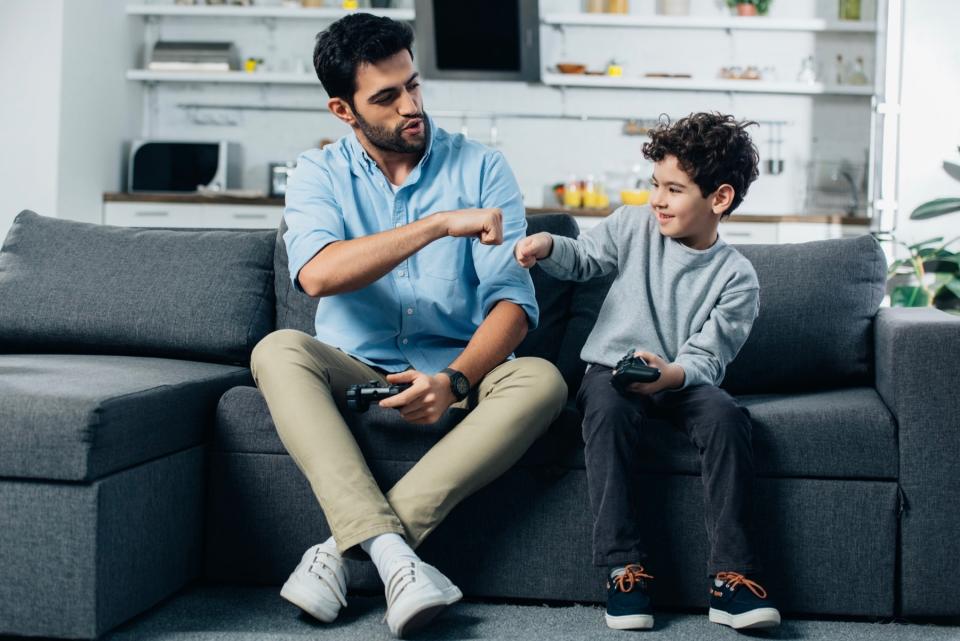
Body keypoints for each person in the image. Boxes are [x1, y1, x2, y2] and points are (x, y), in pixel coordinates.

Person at [251, 14, 566, 638]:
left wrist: (453, 381)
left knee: (543, 379)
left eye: (414, 86)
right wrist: (436, 224)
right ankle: (396, 558)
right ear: (343, 110)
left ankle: (347, 554)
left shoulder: (482, 167)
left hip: (458, 372)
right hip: (356, 368)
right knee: (278, 348)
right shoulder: (317, 174)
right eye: (387, 97)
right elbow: (316, 274)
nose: (411, 107)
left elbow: (512, 301)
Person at [514, 112, 780, 631]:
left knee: (727, 418)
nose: (657, 198)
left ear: (719, 199)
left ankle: (732, 578)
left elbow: (709, 356)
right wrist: (547, 246)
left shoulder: (737, 278)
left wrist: (673, 375)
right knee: (608, 413)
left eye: (674, 189)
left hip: (681, 380)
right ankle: (623, 570)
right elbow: (585, 257)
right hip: (612, 371)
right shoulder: (634, 224)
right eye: (655, 184)